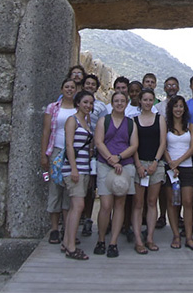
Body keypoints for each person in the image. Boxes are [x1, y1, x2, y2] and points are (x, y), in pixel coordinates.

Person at [94, 91, 139, 258]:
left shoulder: (130, 124)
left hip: (125, 165)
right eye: (116, 101)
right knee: (106, 205)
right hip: (105, 164)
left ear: (126, 103)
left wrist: (119, 158)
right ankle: (101, 239)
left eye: (122, 101)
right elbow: (98, 142)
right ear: (112, 103)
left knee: (120, 204)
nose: (120, 104)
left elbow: (134, 145)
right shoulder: (103, 121)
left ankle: (113, 242)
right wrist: (111, 160)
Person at [40, 78, 77, 244]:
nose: (69, 89)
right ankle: (54, 229)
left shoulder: (79, 108)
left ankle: (67, 230)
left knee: (70, 192)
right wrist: (43, 154)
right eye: (67, 87)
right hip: (56, 151)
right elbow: (46, 131)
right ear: (62, 89)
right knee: (55, 189)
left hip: (73, 154)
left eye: (72, 87)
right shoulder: (52, 107)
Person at [131, 88, 167, 254]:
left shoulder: (160, 119)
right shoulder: (134, 120)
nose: (147, 102)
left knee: (152, 202)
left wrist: (155, 162)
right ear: (140, 101)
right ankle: (138, 240)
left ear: (154, 101)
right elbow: (133, 145)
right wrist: (138, 165)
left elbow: (162, 143)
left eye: (150, 100)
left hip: (155, 164)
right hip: (139, 164)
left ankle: (150, 238)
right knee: (138, 204)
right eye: (144, 99)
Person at [163, 96, 193, 251]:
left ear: (184, 109)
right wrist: (171, 163)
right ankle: (176, 235)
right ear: (171, 109)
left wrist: (178, 162)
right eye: (175, 106)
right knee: (172, 202)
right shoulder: (165, 125)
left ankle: (189, 237)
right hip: (170, 168)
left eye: (181, 106)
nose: (178, 109)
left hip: (186, 167)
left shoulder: (191, 126)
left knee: (188, 202)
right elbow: (162, 146)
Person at [61, 91, 95, 260]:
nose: (88, 105)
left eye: (90, 103)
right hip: (74, 169)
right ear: (78, 103)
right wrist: (73, 168)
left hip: (83, 169)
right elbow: (68, 144)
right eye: (85, 102)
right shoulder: (72, 120)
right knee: (78, 206)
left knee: (75, 207)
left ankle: (67, 242)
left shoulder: (86, 122)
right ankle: (71, 246)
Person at [80, 74, 106, 237]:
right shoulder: (77, 104)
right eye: (87, 83)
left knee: (91, 187)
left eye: (93, 84)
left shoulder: (101, 107)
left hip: (95, 151)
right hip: (77, 149)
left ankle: (87, 219)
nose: (90, 86)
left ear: (97, 88)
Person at [155, 76, 180, 229]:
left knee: (178, 187)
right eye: (168, 85)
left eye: (173, 85)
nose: (171, 87)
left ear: (177, 88)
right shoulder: (158, 108)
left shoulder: (181, 105)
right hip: (161, 150)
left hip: (177, 151)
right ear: (164, 88)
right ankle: (162, 215)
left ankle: (179, 215)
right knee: (163, 188)